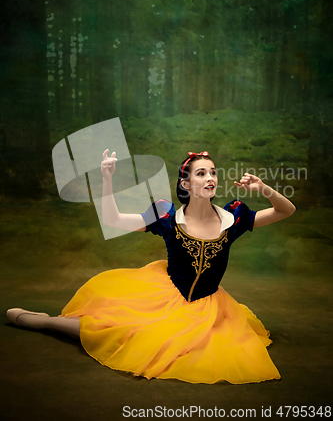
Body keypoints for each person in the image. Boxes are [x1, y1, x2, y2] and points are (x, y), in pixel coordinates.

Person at [6, 149, 296, 384]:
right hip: (164, 297)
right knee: (115, 332)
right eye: (201, 173)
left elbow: (286, 210)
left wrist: (264, 188)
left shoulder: (233, 218)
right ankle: (43, 321)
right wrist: (107, 179)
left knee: (199, 350)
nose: (210, 178)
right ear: (185, 184)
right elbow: (114, 220)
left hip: (208, 305)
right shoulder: (167, 216)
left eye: (213, 173)